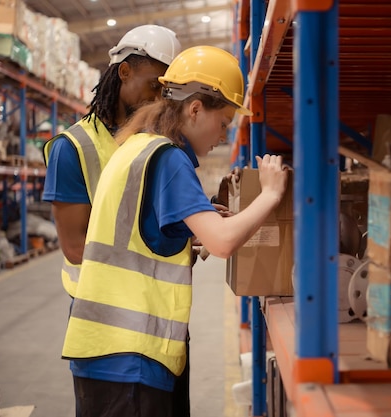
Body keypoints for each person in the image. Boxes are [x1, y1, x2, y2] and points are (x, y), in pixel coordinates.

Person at [60, 45, 288, 417]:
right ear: (195, 109)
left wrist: (187, 223)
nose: (223, 136)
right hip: (130, 357)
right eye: (224, 123)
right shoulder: (169, 159)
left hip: (107, 353)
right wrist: (271, 194)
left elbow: (139, 233)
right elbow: (223, 241)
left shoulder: (138, 146)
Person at [41, 25, 188, 416]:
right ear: (124, 71)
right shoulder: (74, 149)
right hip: (111, 338)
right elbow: (75, 249)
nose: (160, 98)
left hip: (162, 329)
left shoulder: (156, 144)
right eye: (154, 84)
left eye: (166, 90)